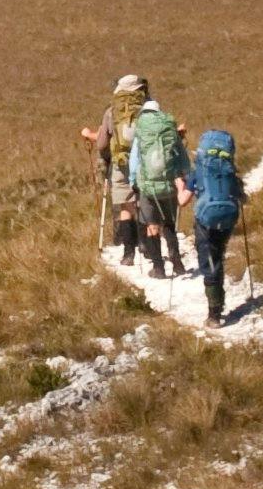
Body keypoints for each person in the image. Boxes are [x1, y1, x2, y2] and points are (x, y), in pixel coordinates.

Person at [120, 83, 188, 278]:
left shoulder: (142, 131)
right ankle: (177, 262)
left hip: (148, 186)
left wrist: (134, 182)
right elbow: (181, 157)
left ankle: (158, 267)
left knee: (152, 225)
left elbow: (134, 161)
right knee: (169, 224)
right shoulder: (168, 129)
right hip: (168, 184)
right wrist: (184, 175)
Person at [183, 126, 248, 323]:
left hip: (205, 221)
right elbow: (242, 198)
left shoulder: (198, 172)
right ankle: (217, 304)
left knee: (210, 262)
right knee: (218, 255)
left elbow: (182, 201)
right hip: (228, 218)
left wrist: (181, 185)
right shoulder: (230, 172)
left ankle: (214, 314)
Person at [80, 76, 145, 266]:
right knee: (142, 202)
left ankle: (128, 253)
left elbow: (102, 144)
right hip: (143, 163)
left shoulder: (112, 112)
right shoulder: (148, 110)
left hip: (121, 163)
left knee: (125, 206)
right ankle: (147, 246)